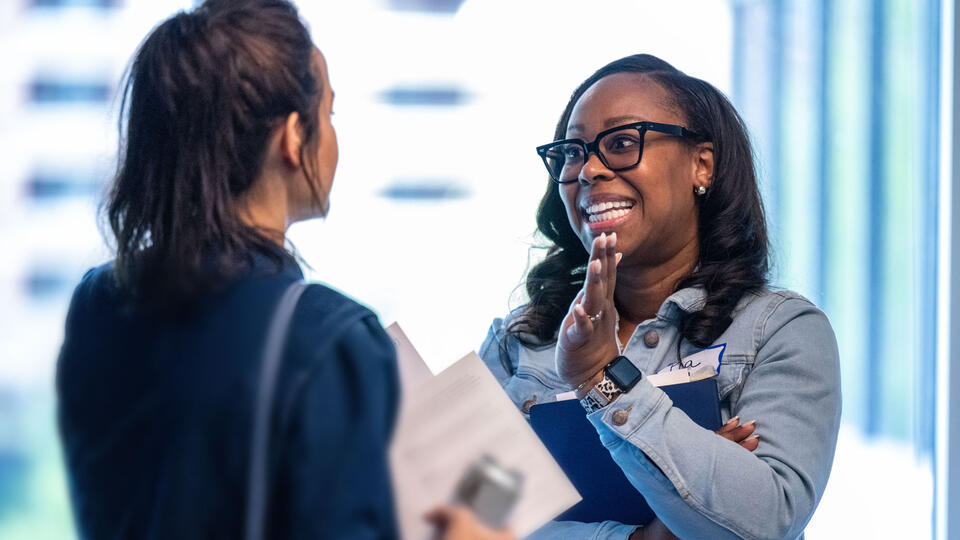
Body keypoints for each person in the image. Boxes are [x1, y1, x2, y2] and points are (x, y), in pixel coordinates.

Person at [56, 1, 507, 539]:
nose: (334, 135)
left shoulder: (98, 302)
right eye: (330, 113)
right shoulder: (327, 337)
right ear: (293, 137)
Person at [479, 54, 841, 539]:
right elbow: (464, 522)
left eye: (622, 142)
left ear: (702, 165)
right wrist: (646, 533)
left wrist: (602, 380)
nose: (588, 169)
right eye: (572, 151)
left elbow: (764, 520)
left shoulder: (781, 331)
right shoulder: (519, 342)